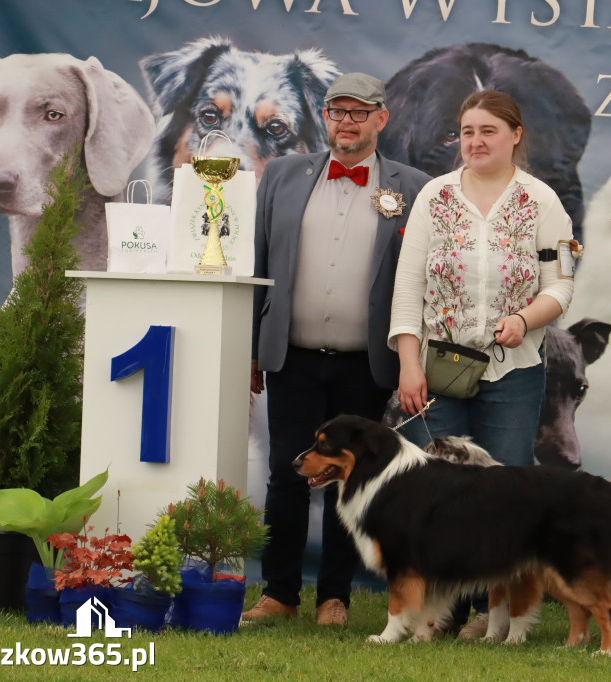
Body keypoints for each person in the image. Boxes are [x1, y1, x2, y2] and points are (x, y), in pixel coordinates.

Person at [244, 72, 431, 626]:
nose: (346, 122)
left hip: (367, 362)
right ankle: (278, 592)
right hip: (292, 357)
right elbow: (258, 264)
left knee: (352, 481)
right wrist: (254, 348)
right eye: (336, 111)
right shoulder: (280, 175)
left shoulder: (415, 186)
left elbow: (418, 277)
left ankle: (335, 597)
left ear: (381, 119)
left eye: (358, 112)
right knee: (286, 472)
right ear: (323, 118)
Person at [389, 90, 575, 637]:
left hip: (514, 370)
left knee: (505, 501)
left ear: (516, 135)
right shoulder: (434, 196)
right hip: (437, 370)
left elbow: (561, 284)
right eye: (467, 131)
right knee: (435, 495)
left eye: (488, 130)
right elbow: (408, 284)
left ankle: (500, 617)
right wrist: (408, 363)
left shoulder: (543, 202)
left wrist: (526, 318)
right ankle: (436, 614)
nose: (475, 141)